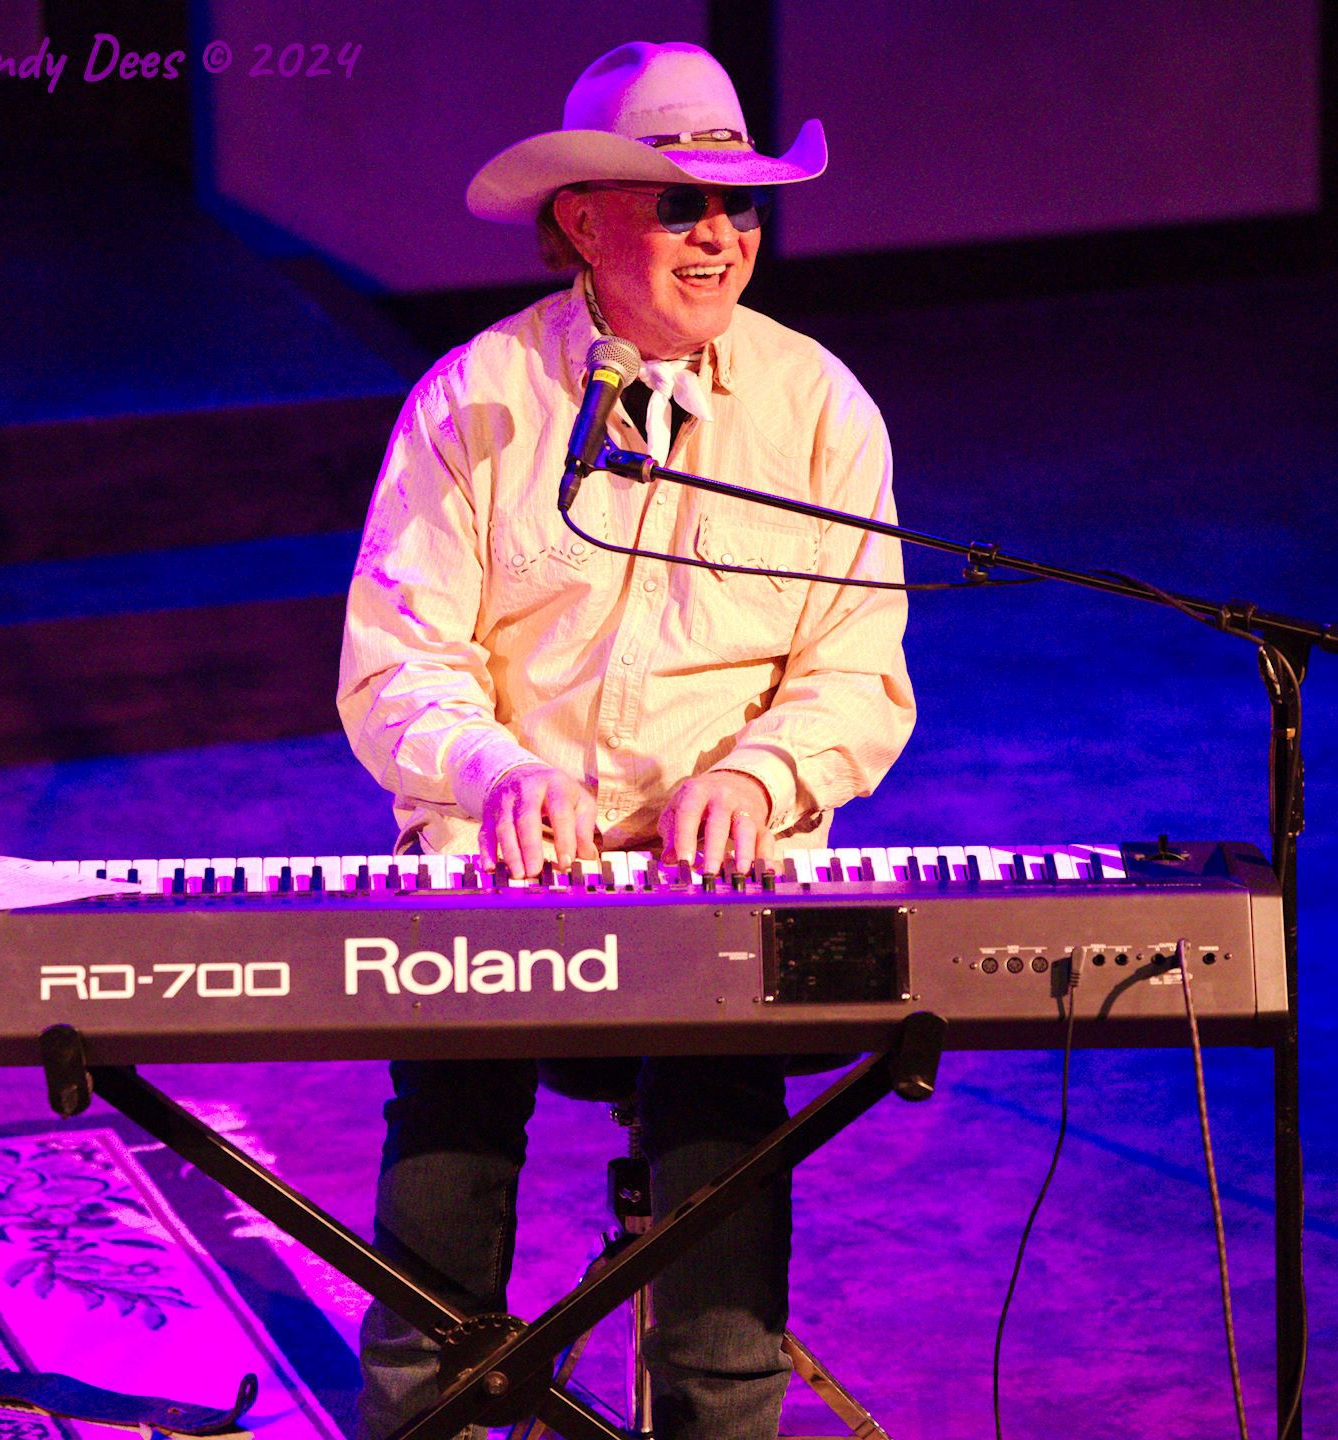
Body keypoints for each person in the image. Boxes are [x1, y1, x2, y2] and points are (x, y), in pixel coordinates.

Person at [337, 39, 915, 1440]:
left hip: (713, 875)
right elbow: (396, 662)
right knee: (450, 1127)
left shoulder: (819, 406)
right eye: (681, 206)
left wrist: (761, 773)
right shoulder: (476, 397)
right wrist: (495, 769)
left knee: (722, 1122)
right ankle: (424, 1409)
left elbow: (857, 672)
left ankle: (717, 1410)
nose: (722, 236)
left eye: (741, 206)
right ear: (584, 220)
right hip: (502, 867)